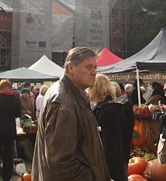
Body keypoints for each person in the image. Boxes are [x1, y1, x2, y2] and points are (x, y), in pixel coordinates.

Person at [31, 46, 110, 180]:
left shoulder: (68, 95)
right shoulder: (64, 103)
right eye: (88, 67)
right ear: (71, 68)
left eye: (95, 68)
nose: (93, 72)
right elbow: (60, 161)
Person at [90, 74, 128, 181]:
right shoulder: (107, 108)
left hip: (109, 168)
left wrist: (107, 172)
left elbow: (109, 143)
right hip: (110, 165)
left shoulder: (107, 110)